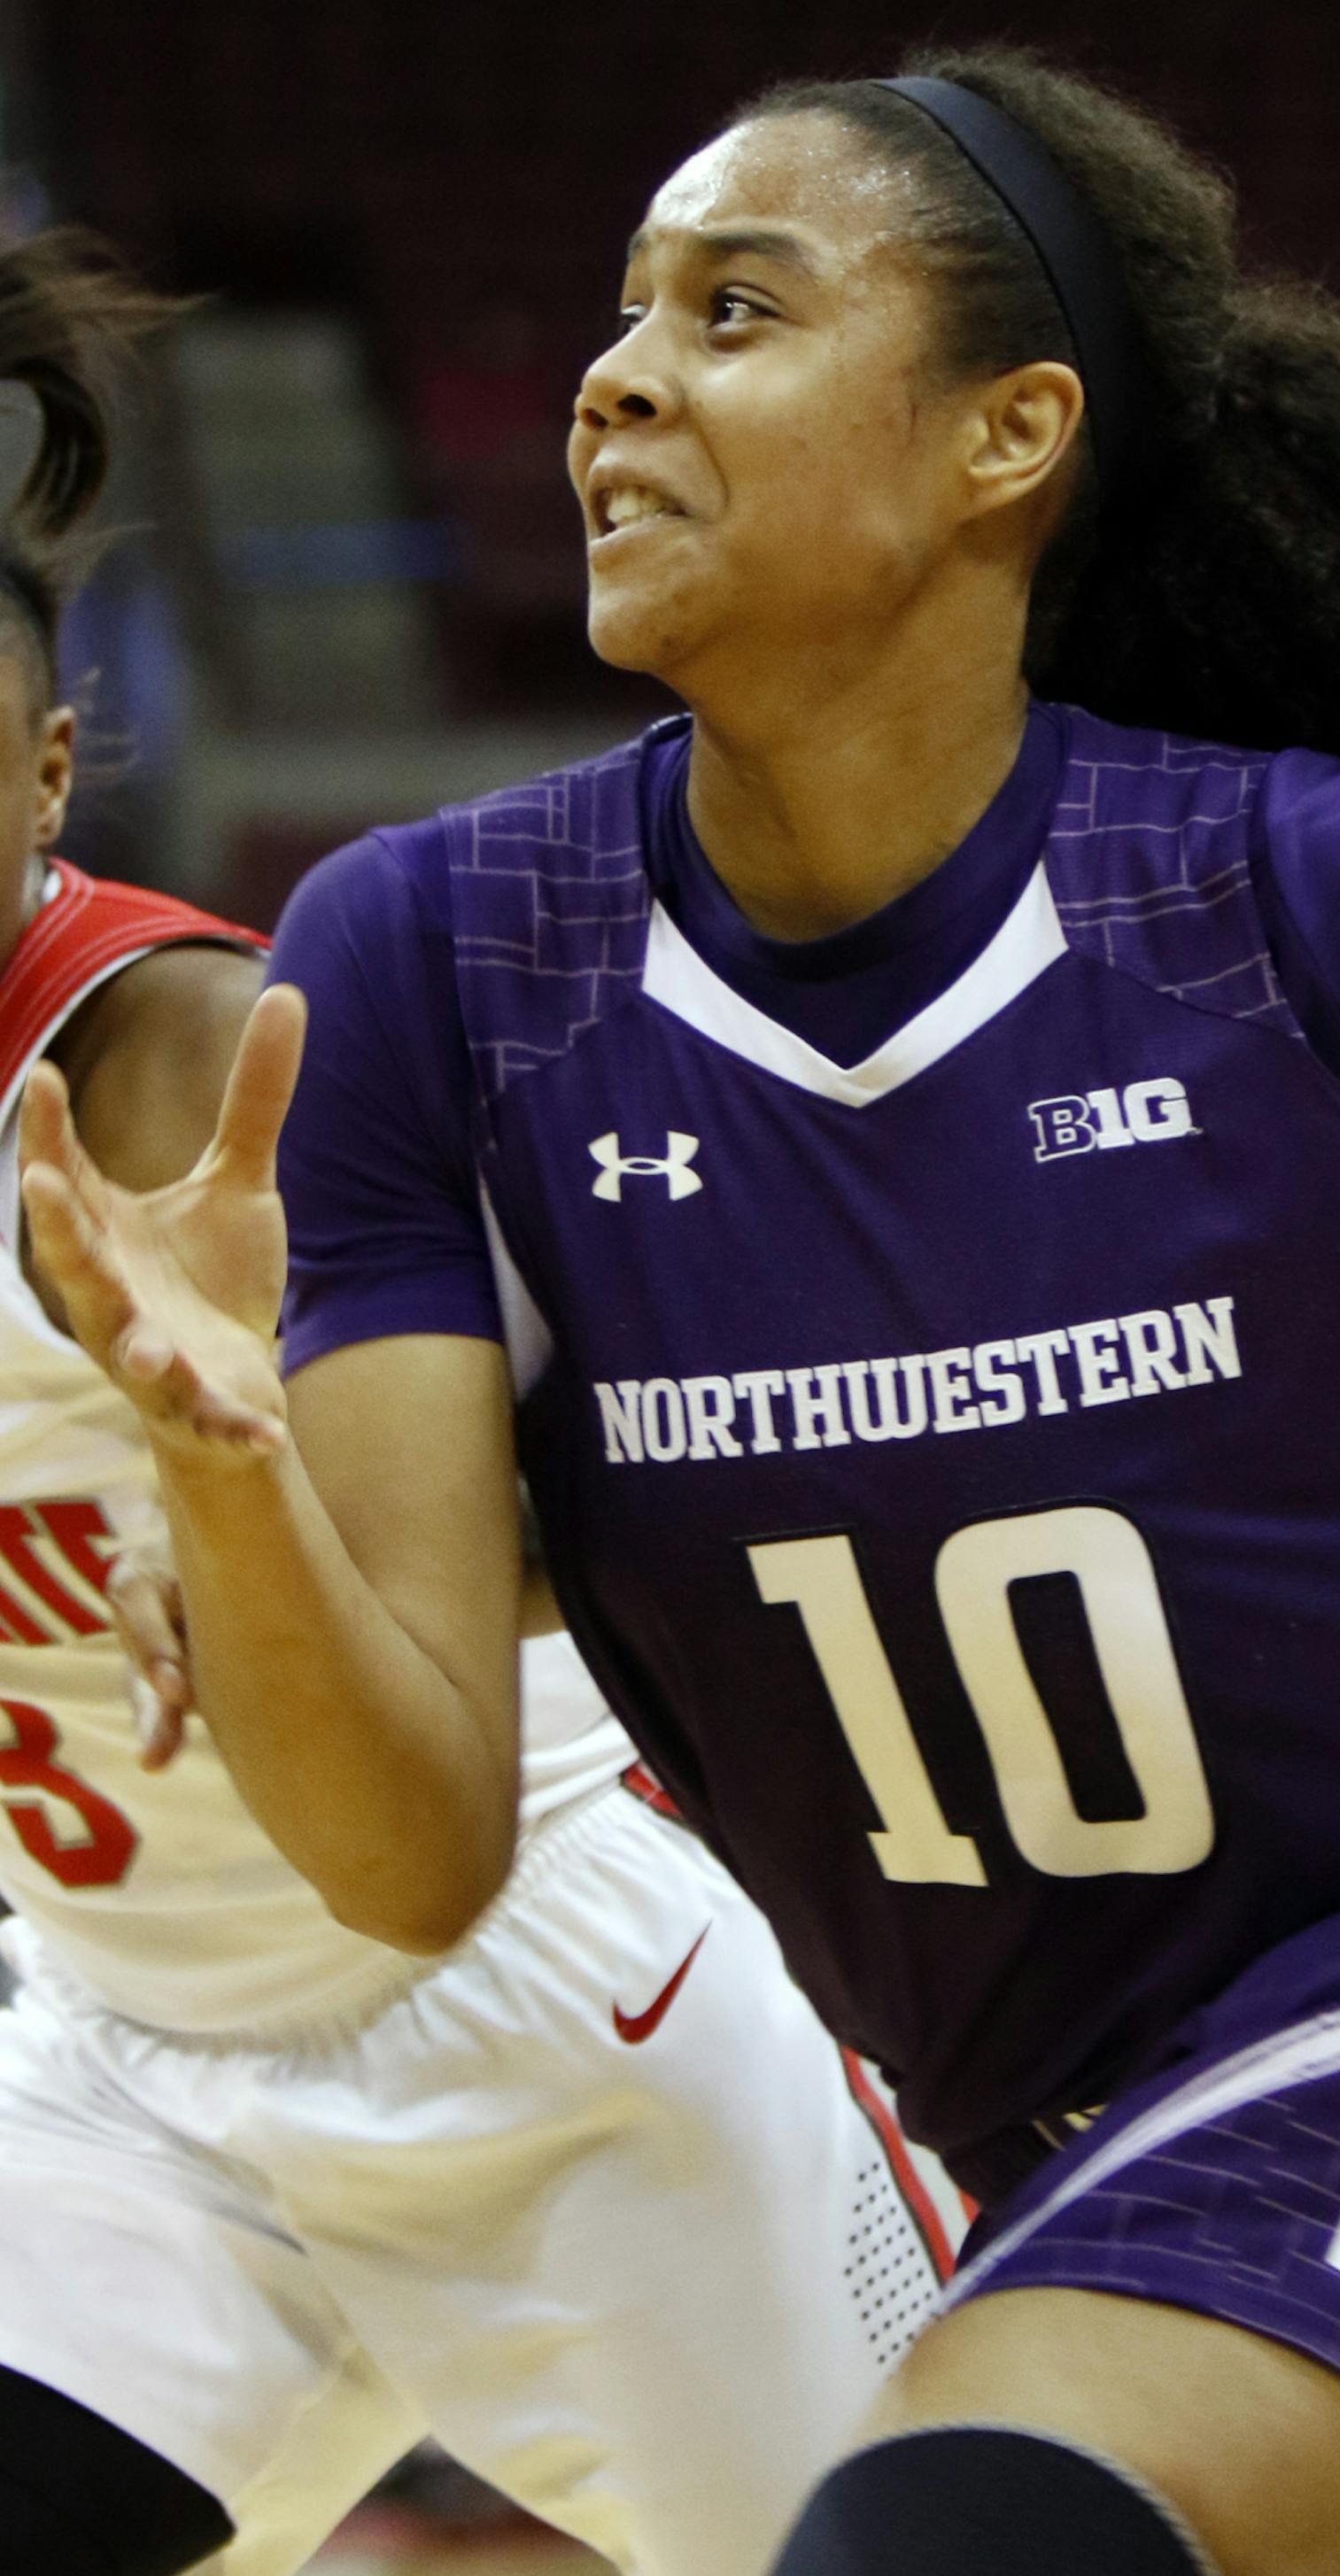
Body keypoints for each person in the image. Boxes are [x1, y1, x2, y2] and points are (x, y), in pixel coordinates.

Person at [22, 55, 1340, 2576]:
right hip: (1075, 2154)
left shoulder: (1295, 889)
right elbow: (414, 1848)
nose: (617, 374)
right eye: (622, 313)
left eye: (736, 307)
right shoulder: (431, 960)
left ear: (1010, 435)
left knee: (947, 2533)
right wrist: (227, 1458)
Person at [0, 228, 959, 2576]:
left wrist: (268, 1533)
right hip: (129, 2067)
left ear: (44, 758)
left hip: (543, 2018)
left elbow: (660, 1452)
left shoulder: (175, 1066)